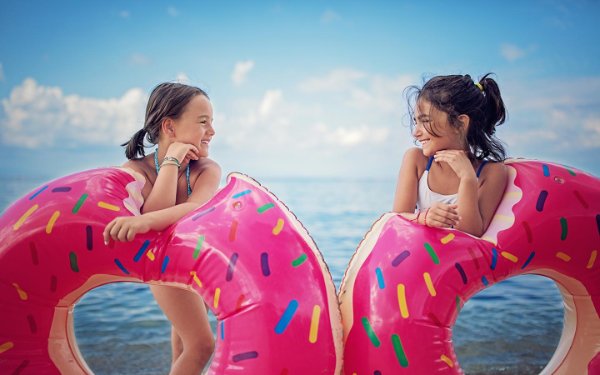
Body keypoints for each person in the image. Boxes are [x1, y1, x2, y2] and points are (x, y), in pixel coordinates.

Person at [103, 82, 220, 374]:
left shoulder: (206, 169)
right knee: (202, 344)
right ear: (170, 127)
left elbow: (195, 208)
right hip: (163, 264)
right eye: (203, 122)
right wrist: (170, 162)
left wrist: (143, 219)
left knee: (184, 342)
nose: (212, 131)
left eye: (212, 122)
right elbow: (157, 218)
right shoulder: (136, 170)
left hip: (197, 260)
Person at [392, 73, 508, 237]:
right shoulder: (417, 160)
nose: (415, 132)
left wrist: (468, 179)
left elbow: (472, 234)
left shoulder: (492, 172)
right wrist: (423, 218)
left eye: (425, 121)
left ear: (460, 123)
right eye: (416, 121)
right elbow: (396, 221)